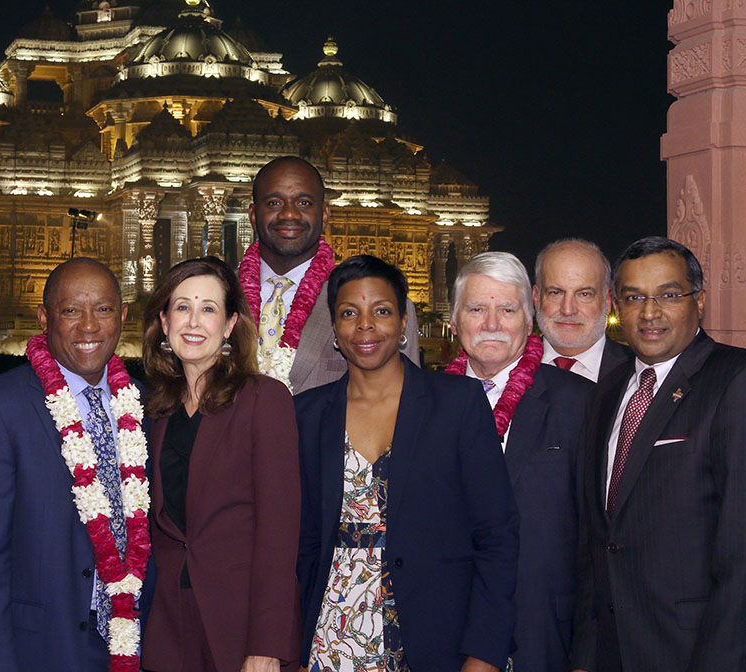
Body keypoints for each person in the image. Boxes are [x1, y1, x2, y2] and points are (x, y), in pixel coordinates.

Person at [296, 254, 517, 672]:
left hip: (439, 638)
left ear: (402, 324)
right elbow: (299, 545)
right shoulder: (305, 416)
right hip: (332, 638)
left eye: (381, 311)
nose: (365, 325)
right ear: (335, 330)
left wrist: (485, 652)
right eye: (349, 313)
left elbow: (497, 537)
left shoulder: (458, 404)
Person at [0, 257, 151, 672]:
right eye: (70, 310)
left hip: (136, 641)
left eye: (104, 309)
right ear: (45, 318)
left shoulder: (146, 404)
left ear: (123, 315)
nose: (89, 326)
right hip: (42, 649)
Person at [571, 237, 746, 672]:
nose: (650, 313)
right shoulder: (607, 391)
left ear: (699, 301)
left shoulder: (734, 380)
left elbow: (741, 554)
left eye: (668, 295)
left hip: (692, 651)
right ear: (617, 305)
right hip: (612, 651)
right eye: (634, 298)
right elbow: (598, 540)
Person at [140, 257, 301, 672]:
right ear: (163, 320)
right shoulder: (153, 410)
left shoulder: (264, 400)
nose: (194, 322)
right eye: (182, 307)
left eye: (208, 309)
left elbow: (279, 533)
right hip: (172, 626)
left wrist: (265, 645)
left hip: (240, 627)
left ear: (229, 325)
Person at [445, 251, 591, 672]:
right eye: (477, 309)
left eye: (507, 310)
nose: (491, 324)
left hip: (544, 639)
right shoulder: (421, 406)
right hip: (446, 636)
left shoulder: (579, 402)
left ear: (529, 323)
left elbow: (598, 543)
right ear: (454, 322)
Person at [240, 156, 418, 395]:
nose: (289, 215)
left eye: (304, 203)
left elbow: (408, 403)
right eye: (274, 203)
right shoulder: (216, 296)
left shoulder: (383, 305)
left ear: (324, 214)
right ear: (253, 215)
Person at [533, 238, 632, 383]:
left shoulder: (638, 372)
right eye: (555, 293)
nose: (568, 310)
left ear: (607, 300)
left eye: (584, 294)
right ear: (536, 297)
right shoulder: (506, 368)